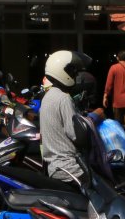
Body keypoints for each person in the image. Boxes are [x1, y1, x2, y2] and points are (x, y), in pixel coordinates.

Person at [39, 49, 91, 186]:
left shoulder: (48, 96)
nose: (75, 76)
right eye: (72, 72)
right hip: (71, 169)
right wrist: (92, 120)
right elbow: (76, 135)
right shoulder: (63, 98)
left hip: (54, 168)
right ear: (62, 71)